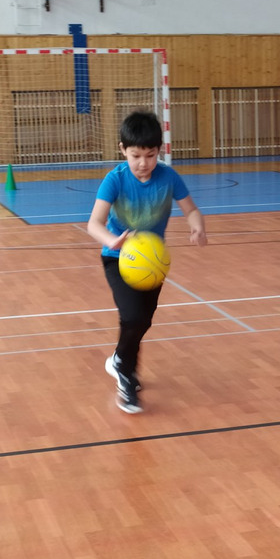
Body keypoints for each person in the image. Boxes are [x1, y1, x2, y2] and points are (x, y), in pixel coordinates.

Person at [87, 110, 208, 413]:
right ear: (123, 150)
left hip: (153, 262)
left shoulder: (169, 177)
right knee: (132, 316)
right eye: (136, 156)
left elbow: (191, 209)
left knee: (144, 318)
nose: (143, 163)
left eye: (151, 155)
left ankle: (120, 358)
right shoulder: (115, 180)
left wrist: (197, 225)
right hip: (117, 258)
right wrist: (111, 240)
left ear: (159, 151)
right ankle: (126, 375)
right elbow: (94, 223)